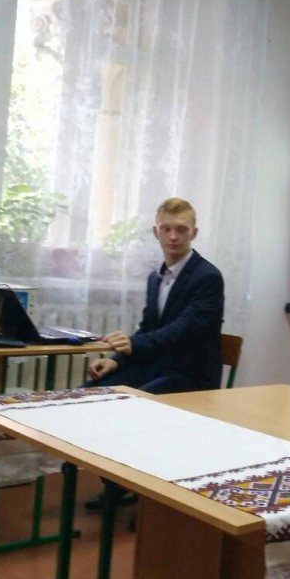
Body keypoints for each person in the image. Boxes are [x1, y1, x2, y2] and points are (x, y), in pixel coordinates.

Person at [82, 197, 224, 509]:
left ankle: (139, 487)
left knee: (128, 407)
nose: (173, 236)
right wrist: (116, 360)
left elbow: (186, 329)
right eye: (166, 229)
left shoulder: (207, 277)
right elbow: (148, 327)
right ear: (156, 232)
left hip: (191, 375)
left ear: (194, 233)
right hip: (159, 366)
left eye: (181, 229)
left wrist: (134, 345)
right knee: (88, 394)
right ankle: (117, 483)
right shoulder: (155, 277)